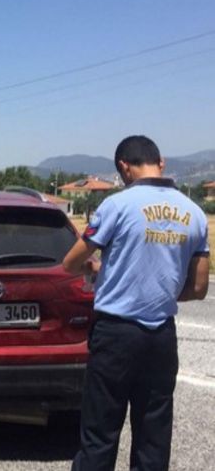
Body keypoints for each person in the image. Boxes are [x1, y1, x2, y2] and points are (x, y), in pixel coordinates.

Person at [62, 135, 209, 471]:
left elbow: (71, 262)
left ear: (124, 168)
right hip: (160, 338)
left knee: (100, 434)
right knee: (153, 438)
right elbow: (199, 287)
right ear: (162, 162)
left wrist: (95, 268)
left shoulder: (116, 205)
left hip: (115, 334)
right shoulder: (195, 213)